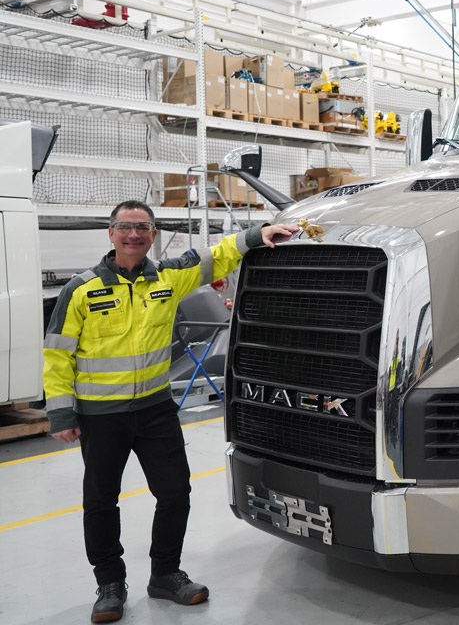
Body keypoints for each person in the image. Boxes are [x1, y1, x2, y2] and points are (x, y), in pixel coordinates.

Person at [43, 201, 298, 623]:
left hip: (156, 409)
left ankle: (164, 573)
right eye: (125, 228)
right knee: (101, 501)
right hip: (101, 416)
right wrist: (62, 414)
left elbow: (214, 255)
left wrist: (258, 235)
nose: (134, 235)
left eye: (142, 227)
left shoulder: (167, 276)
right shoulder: (82, 289)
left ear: (153, 233)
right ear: (110, 234)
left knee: (176, 492)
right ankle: (109, 583)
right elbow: (57, 356)